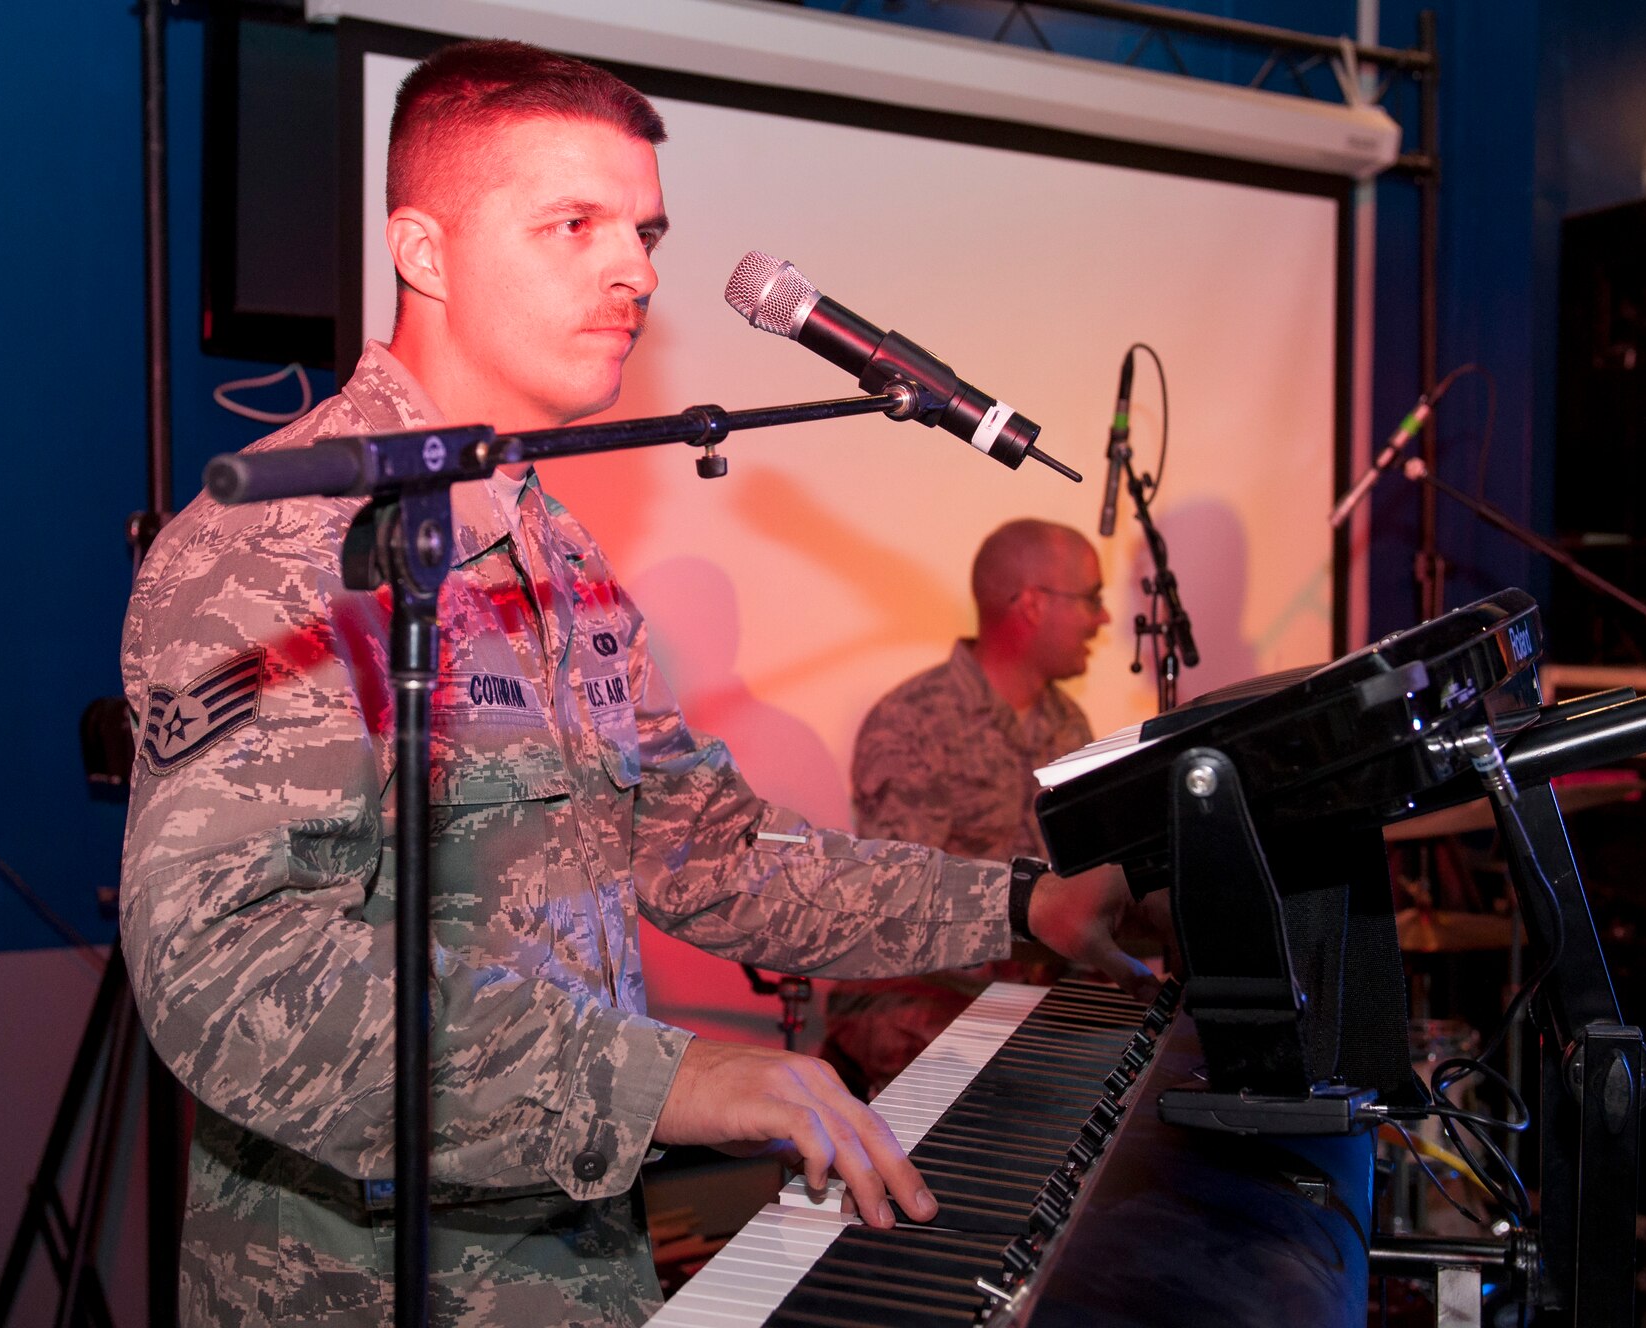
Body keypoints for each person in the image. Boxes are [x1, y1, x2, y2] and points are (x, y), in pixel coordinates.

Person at [118, 40, 1135, 1328]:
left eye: (644, 229)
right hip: (358, 1290)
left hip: (581, 1263)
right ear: (422, 253)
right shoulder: (277, 545)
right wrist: (664, 1081)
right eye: (573, 223)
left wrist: (1016, 904)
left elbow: (709, 855)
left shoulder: (557, 548)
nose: (637, 271)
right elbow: (231, 973)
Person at [822, 519, 1164, 1098]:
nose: (1104, 618)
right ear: (1031, 604)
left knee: (1155, 1052)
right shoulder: (913, 722)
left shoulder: (1069, 725)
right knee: (1035, 1073)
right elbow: (902, 912)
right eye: (1091, 599)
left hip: (1030, 993)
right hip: (925, 997)